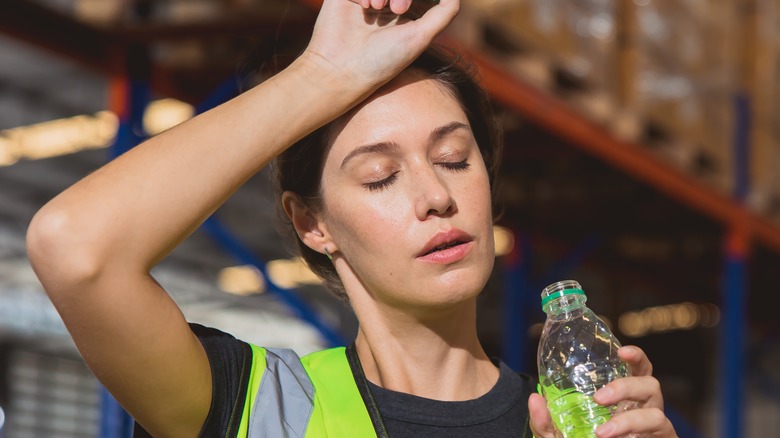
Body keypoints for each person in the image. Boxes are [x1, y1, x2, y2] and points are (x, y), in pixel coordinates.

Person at [26, 0, 677, 437]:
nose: (434, 197)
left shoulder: (571, 422)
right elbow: (76, 249)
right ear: (313, 223)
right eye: (380, 175)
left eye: (453, 159)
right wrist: (323, 75)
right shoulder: (259, 407)